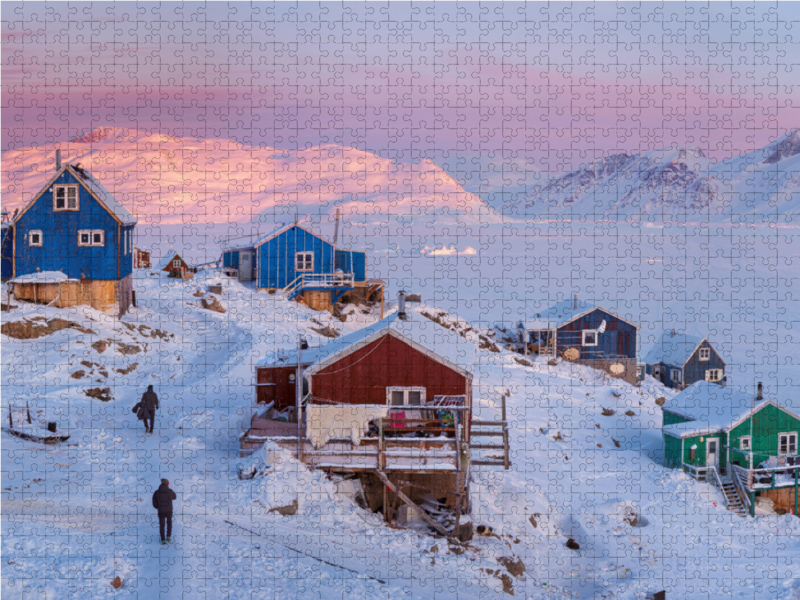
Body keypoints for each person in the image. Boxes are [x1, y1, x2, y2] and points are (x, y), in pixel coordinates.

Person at [152, 478, 177, 544]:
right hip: (169, 511)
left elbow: (154, 502)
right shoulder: (170, 491)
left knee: (162, 525)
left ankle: (163, 539)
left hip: (161, 511)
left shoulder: (157, 492)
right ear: (167, 484)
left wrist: (157, 507)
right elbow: (175, 497)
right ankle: (168, 536)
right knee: (169, 523)